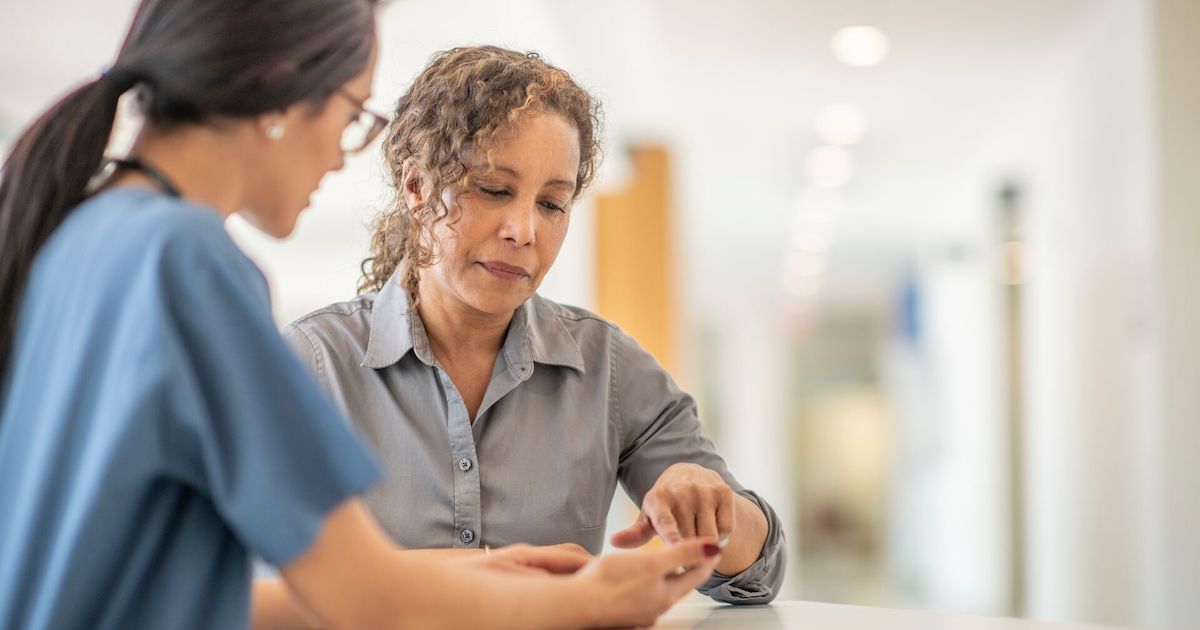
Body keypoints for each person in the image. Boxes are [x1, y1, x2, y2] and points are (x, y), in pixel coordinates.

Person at [0, 3, 721, 629]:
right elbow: (372, 604)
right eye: (352, 116)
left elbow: (156, 602)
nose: (342, 159)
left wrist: (481, 576)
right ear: (281, 87)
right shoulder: (190, 264)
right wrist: (592, 599)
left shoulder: (83, 234)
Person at [283, 45, 787, 606]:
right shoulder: (310, 364)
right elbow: (259, 582)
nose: (524, 230)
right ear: (417, 188)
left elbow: (758, 573)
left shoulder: (608, 368)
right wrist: (486, 583)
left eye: (552, 204)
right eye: (495, 190)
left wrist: (713, 509)